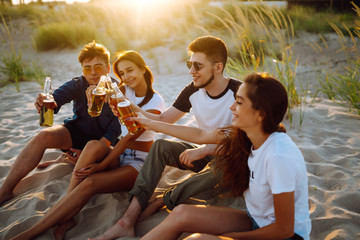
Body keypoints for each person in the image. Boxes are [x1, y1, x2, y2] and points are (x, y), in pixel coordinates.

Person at [91, 35, 242, 239]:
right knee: (161, 146)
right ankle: (128, 219)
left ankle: (161, 200)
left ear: (218, 67)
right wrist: (131, 108)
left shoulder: (239, 92)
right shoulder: (192, 90)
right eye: (190, 64)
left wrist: (205, 149)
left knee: (220, 167)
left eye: (197, 66)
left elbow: (244, 142)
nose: (191, 71)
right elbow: (164, 119)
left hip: (234, 159)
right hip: (203, 154)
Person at [133, 73, 312, 240]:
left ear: (260, 114)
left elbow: (284, 229)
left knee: (200, 239)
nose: (231, 106)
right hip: (254, 219)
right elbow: (200, 135)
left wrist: (232, 236)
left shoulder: (278, 156)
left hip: (282, 235)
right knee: (181, 214)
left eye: (240, 103)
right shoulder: (246, 135)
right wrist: (149, 124)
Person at [9, 50, 165, 240]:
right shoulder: (123, 90)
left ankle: (35, 230)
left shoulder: (156, 100)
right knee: (91, 146)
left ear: (143, 69)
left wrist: (101, 165)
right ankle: (65, 208)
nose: (125, 77)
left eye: (129, 70)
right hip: (117, 154)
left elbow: (127, 137)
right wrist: (92, 91)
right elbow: (104, 92)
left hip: (136, 161)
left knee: (90, 181)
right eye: (122, 73)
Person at [0, 41, 121, 206]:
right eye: (87, 68)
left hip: (102, 143)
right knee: (42, 136)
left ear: (108, 68)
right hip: (76, 133)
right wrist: (44, 102)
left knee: (105, 166)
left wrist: (87, 154)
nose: (93, 73)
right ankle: (5, 191)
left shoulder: (117, 89)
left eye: (98, 67)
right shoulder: (78, 84)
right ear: (82, 70)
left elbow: (115, 128)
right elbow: (56, 98)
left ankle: (67, 159)